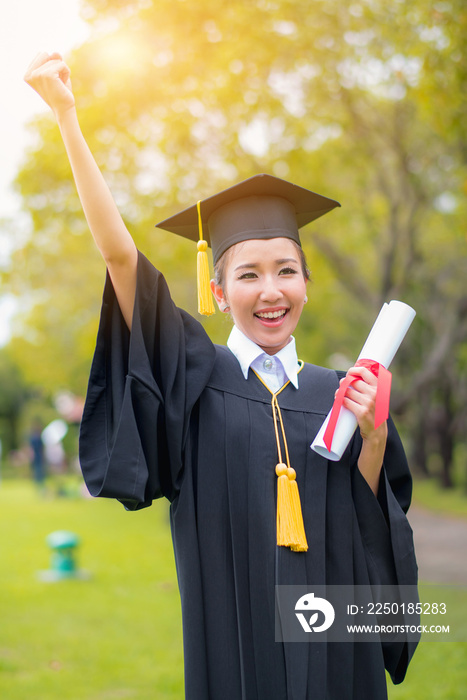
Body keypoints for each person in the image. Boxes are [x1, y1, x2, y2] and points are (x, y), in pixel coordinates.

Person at [24, 52, 418, 700]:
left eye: (286, 270)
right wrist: (67, 116)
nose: (270, 290)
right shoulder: (193, 377)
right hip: (233, 647)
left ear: (307, 284)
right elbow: (120, 256)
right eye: (249, 274)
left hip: (333, 653)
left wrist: (372, 439)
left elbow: (364, 528)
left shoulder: (336, 393)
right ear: (216, 288)